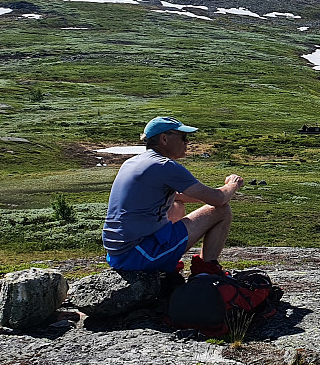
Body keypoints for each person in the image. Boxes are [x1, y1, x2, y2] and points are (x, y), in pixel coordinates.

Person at [102, 116, 244, 275]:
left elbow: (180, 195)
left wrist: (218, 193)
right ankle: (206, 270)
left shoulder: (133, 162)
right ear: (164, 138)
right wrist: (232, 185)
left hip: (118, 254)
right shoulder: (165, 165)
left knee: (176, 204)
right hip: (139, 255)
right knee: (222, 211)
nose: (187, 142)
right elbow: (218, 199)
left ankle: (168, 259)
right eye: (183, 137)